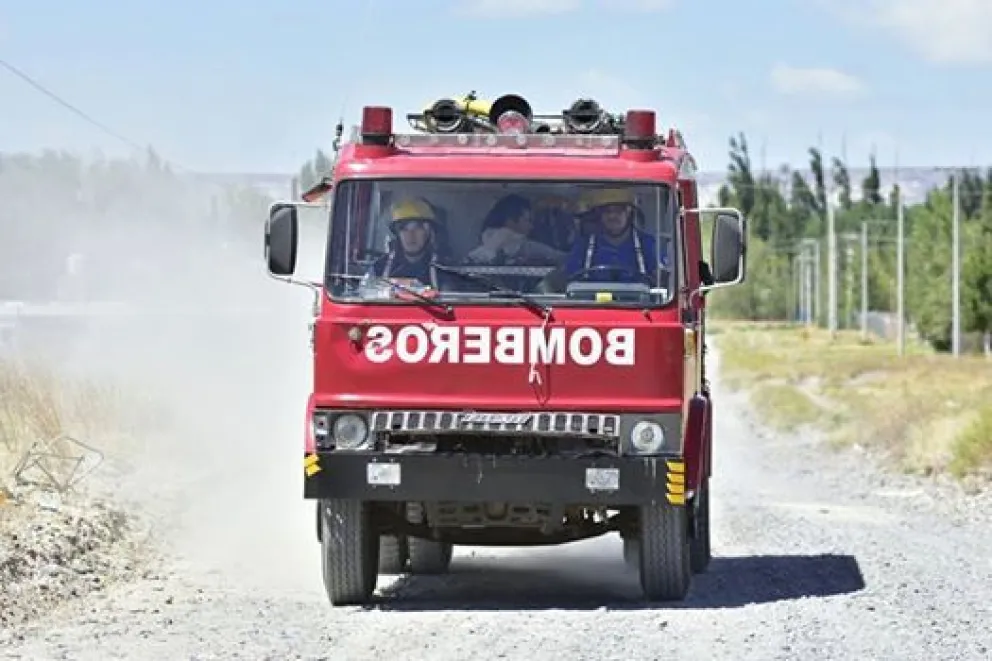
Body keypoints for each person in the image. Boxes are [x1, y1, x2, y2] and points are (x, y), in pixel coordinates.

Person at [561, 187, 669, 285]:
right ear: (599, 215)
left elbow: (662, 280)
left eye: (618, 210)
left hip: (638, 306)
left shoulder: (648, 244)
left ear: (629, 213)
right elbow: (569, 280)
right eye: (607, 211)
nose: (612, 216)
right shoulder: (583, 246)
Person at [465, 194, 566, 266]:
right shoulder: (527, 247)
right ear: (510, 221)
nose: (532, 226)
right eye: (528, 220)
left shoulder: (476, 247)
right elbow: (562, 258)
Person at [368, 196, 445, 289]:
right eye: (404, 229)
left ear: (428, 232)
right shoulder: (378, 268)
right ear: (397, 234)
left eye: (417, 228)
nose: (410, 235)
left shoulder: (444, 271)